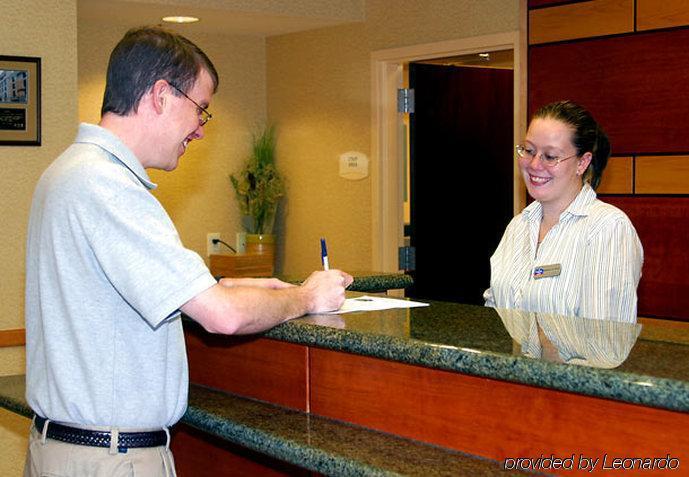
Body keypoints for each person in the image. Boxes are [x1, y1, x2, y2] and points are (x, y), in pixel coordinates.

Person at [24, 26, 352, 476]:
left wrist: (226, 285)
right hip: (110, 460)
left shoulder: (66, 172)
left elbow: (109, 295)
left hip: (62, 450)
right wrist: (308, 296)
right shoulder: (110, 186)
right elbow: (223, 317)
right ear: (161, 95)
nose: (199, 130)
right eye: (200, 109)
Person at [484, 100, 643, 323]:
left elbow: (604, 340)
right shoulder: (518, 226)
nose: (534, 165)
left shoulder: (608, 228)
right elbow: (495, 314)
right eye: (529, 151)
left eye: (550, 156)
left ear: (582, 162)